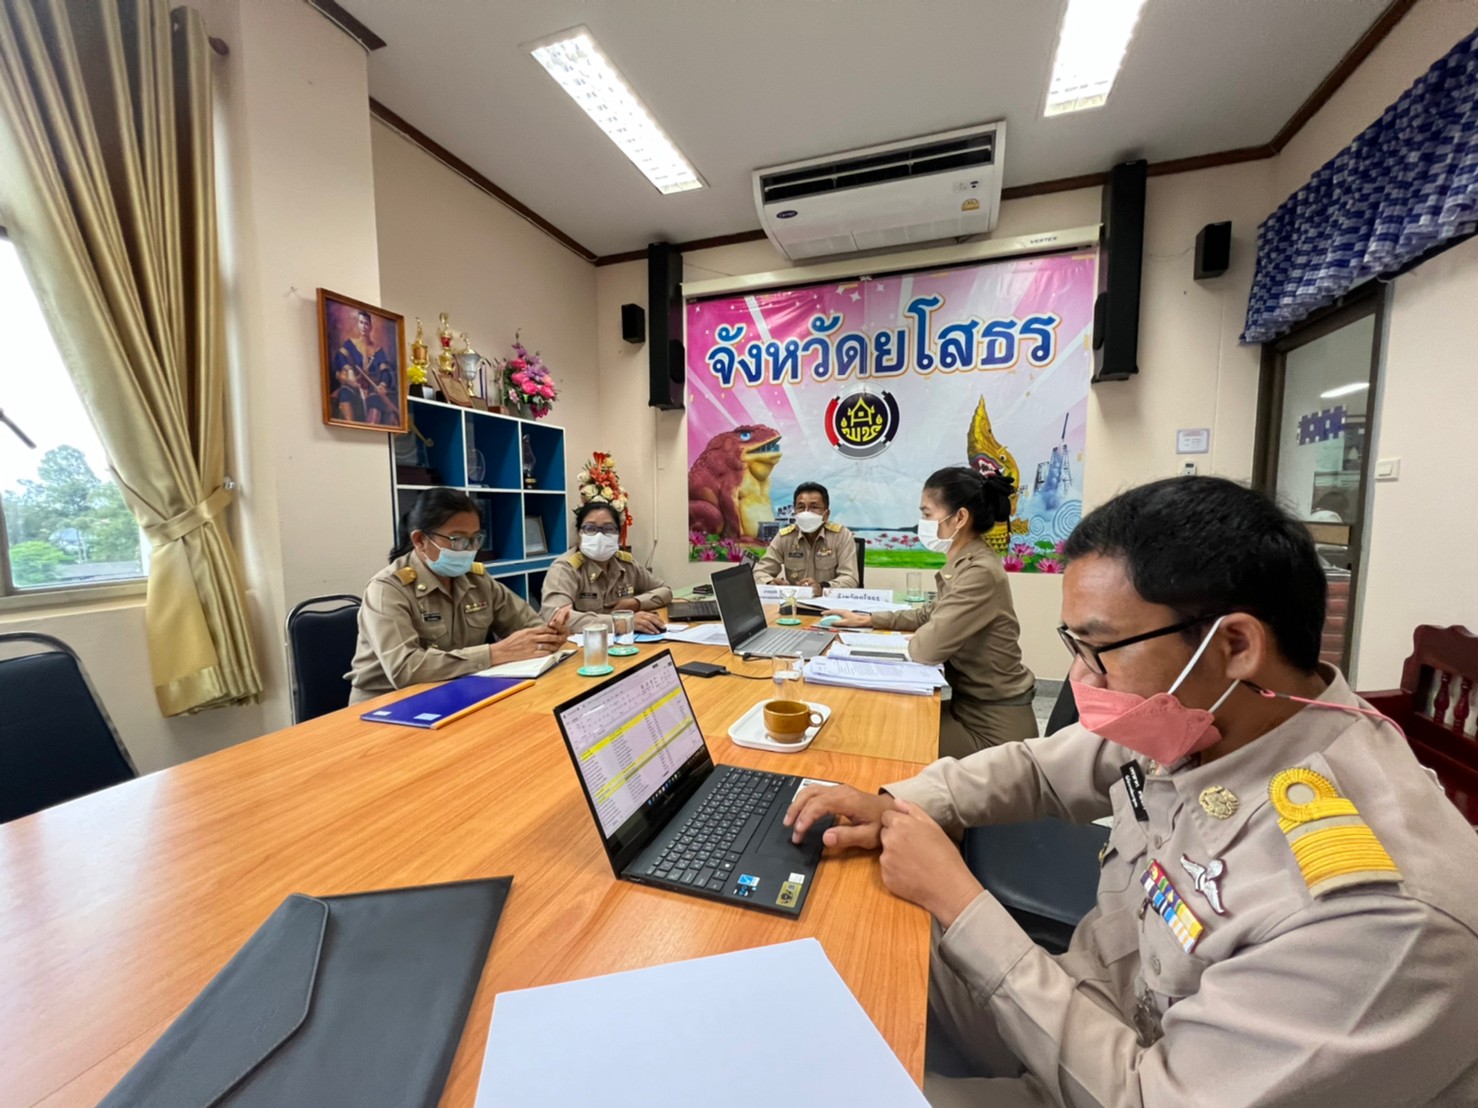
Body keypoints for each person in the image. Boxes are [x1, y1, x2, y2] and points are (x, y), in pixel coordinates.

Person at [785, 476, 1478, 1108]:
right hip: (1078, 1003)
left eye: (1098, 647)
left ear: (1234, 645)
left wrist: (961, 905)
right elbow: (1038, 769)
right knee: (840, 931)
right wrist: (894, 798)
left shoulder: (1376, 915)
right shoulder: (1205, 714)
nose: (1080, 679)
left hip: (1119, 1080)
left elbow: (1149, 1097)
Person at [824, 467, 1036, 757]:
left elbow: (925, 649)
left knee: (875, 736)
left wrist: (911, 638)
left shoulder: (978, 573)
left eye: (927, 514)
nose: (921, 523)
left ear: (959, 518)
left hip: (993, 732)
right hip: (970, 708)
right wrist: (870, 620)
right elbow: (929, 615)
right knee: (880, 718)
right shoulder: (967, 562)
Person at [347, 487, 567, 701]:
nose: (468, 549)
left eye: (474, 539)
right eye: (457, 539)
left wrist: (548, 636)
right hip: (385, 706)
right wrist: (495, 653)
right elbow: (405, 669)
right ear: (420, 540)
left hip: (456, 692)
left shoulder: (476, 579)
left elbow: (529, 626)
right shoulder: (388, 589)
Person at [540, 501, 672, 633]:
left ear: (618, 536)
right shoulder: (565, 568)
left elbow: (665, 590)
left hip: (624, 644)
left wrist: (636, 602)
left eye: (608, 529)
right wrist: (620, 623)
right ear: (579, 534)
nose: (599, 536)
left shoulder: (626, 564)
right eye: (590, 529)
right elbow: (555, 617)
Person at [752, 482, 860, 593]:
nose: (806, 512)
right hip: (795, 604)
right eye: (801, 507)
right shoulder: (785, 537)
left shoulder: (841, 536)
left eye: (814, 507)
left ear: (826, 514)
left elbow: (850, 579)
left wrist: (822, 587)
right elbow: (759, 572)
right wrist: (770, 583)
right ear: (794, 512)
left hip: (829, 603)